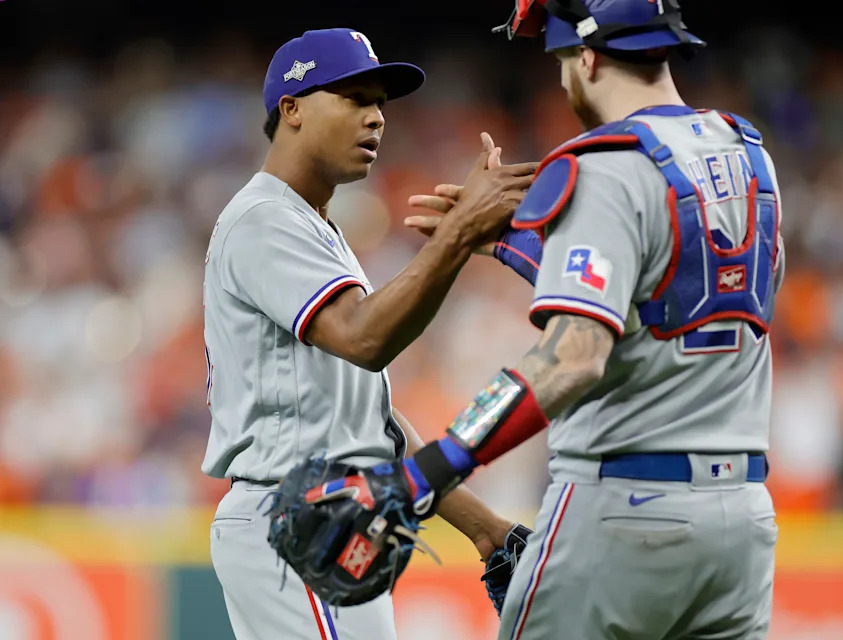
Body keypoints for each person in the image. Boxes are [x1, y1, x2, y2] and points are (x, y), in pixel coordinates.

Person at [314, 1, 787, 638]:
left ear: (587, 57)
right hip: (743, 524)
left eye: (563, 61)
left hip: (621, 510)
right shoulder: (748, 152)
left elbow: (574, 357)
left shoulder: (604, 163)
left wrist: (425, 473)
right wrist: (516, 245)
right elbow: (673, 299)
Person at [201, 27, 539, 640]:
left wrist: (483, 527)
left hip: (333, 521)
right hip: (294, 521)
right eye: (354, 97)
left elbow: (370, 424)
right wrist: (461, 232)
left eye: (380, 102)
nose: (376, 117)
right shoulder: (264, 219)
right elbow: (365, 338)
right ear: (292, 108)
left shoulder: (313, 227)